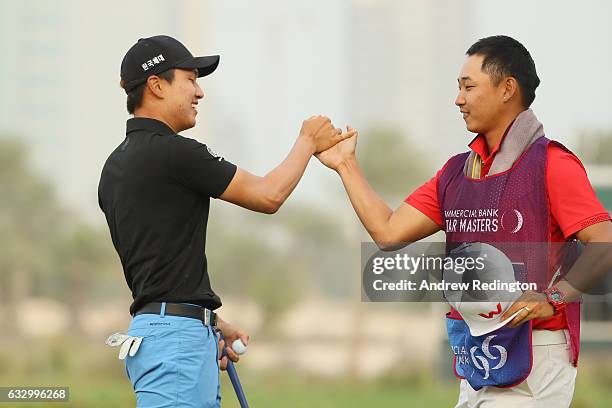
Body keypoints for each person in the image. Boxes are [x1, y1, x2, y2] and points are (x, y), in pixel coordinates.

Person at [316, 35, 612, 407]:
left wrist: (555, 297)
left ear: (507, 89)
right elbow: (388, 232)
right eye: (458, 87)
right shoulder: (455, 173)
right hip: (476, 358)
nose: (458, 99)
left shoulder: (553, 164)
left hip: (535, 359)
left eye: (468, 87)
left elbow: (604, 239)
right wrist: (346, 163)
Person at [98, 35, 353, 408]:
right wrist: (307, 140)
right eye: (190, 80)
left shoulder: (114, 167)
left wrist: (207, 322)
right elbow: (269, 195)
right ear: (156, 85)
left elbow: (160, 270)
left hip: (160, 334)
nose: (199, 92)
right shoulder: (176, 154)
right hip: (176, 344)